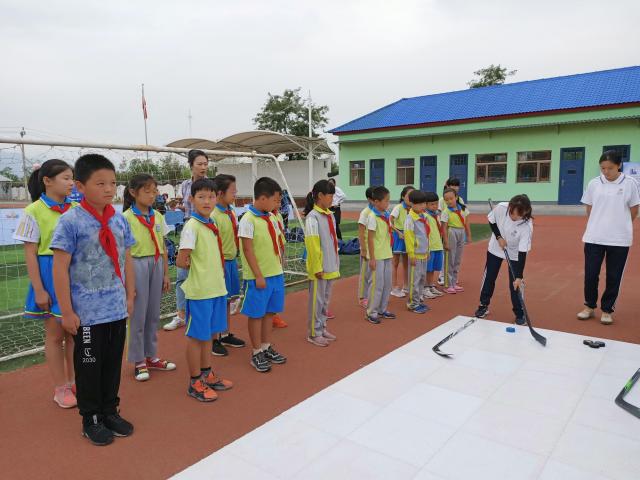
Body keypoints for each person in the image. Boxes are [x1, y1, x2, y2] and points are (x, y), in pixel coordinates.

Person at [51, 154, 135, 446]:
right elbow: (59, 268)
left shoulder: (120, 220)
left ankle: (110, 410)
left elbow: (127, 258)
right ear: (80, 186)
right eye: (100, 183)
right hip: (86, 314)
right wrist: (67, 311)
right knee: (88, 365)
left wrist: (130, 295)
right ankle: (91, 418)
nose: (109, 189)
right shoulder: (70, 221)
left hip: (115, 308)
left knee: (112, 364)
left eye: (113, 183)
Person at [14, 159, 77, 408]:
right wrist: (40, 289)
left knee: (74, 333)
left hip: (74, 274)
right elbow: (30, 253)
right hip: (50, 274)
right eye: (66, 178)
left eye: (72, 178)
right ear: (47, 181)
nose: (71, 183)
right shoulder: (33, 211)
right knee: (54, 335)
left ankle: (75, 381)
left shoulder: (75, 207)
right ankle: (60, 388)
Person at [176, 178, 233, 402]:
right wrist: (197, 268)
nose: (207, 201)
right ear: (192, 200)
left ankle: (207, 373)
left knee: (209, 334)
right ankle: (194, 381)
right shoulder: (192, 226)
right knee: (196, 336)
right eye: (201, 197)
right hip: (200, 291)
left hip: (216, 289)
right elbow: (181, 260)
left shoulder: (212, 223)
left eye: (211, 197)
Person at [122, 174, 176, 382]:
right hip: (136, 264)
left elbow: (162, 246)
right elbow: (123, 252)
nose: (152, 195)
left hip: (156, 263)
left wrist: (165, 274)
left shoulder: (158, 216)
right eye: (147, 191)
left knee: (153, 313)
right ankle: (138, 360)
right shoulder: (125, 218)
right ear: (133, 193)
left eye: (154, 191)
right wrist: (128, 282)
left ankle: (151, 355)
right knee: (138, 315)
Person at [578, 150, 640, 325]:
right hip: (594, 238)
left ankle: (607, 310)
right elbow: (589, 208)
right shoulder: (594, 183)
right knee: (590, 275)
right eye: (603, 168)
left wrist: (620, 225)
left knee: (614, 276)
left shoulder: (630, 183)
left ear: (619, 165)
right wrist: (598, 224)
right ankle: (589, 306)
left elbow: (634, 209)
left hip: (619, 239)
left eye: (610, 168)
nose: (606, 172)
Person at [239, 177, 288, 372]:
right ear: (263, 198)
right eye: (276, 200)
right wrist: (258, 275)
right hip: (259, 277)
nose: (278, 204)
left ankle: (266, 346)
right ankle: (256, 351)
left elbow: (277, 241)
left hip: (275, 273)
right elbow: (248, 250)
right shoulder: (247, 220)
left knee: (270, 313)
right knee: (256, 314)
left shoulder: (272, 217)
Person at [164, 149, 209, 331]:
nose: (203, 167)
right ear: (191, 165)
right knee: (183, 273)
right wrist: (179, 207)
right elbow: (189, 207)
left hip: (204, 230)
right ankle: (181, 314)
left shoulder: (210, 185)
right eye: (199, 164)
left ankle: (203, 312)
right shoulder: (185, 185)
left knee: (204, 273)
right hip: (187, 229)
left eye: (206, 164)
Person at [474, 195, 534, 324]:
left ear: (525, 212)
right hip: (496, 247)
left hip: (515, 252)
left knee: (515, 283)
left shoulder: (527, 226)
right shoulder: (502, 207)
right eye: (511, 213)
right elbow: (492, 221)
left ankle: (519, 312)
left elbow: (523, 252)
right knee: (489, 277)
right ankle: (483, 305)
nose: (512, 217)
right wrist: (499, 237)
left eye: (516, 216)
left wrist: (519, 276)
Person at [211, 174, 246, 355]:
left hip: (231, 262)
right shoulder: (213, 215)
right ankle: (213, 339)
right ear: (220, 193)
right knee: (217, 301)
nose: (236, 193)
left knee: (227, 300)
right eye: (233, 191)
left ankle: (224, 333)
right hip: (219, 264)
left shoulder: (231, 211)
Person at [303, 180, 340, 347]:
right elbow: (312, 244)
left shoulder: (330, 215)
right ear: (320, 196)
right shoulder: (312, 217)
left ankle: (322, 327)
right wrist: (317, 267)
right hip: (319, 268)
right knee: (316, 302)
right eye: (330, 195)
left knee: (325, 301)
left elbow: (332, 241)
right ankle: (314, 332)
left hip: (330, 265)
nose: (333, 198)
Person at [365, 186, 395, 324]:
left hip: (387, 253)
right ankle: (372, 311)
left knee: (387, 284)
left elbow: (389, 229)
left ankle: (382, 309)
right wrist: (372, 258)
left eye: (388, 200)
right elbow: (370, 238)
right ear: (376, 202)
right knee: (377, 285)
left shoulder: (386, 214)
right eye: (386, 201)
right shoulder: (372, 217)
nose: (388, 203)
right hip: (377, 255)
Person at [441, 188, 472, 294]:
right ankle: (448, 284)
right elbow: (444, 228)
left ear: (456, 197)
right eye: (446, 200)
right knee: (450, 259)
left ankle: (454, 282)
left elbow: (467, 223)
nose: (449, 201)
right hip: (451, 232)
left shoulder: (463, 209)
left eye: (451, 198)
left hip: (461, 232)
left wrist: (469, 236)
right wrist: (445, 241)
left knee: (457, 259)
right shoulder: (446, 212)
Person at [404, 190, 430, 314]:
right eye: (419, 204)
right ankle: (412, 303)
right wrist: (411, 254)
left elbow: (427, 234)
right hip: (415, 254)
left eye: (424, 204)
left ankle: (419, 299)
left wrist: (428, 249)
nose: (422, 206)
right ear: (412, 204)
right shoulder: (410, 219)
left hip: (424, 253)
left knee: (422, 278)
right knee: (414, 279)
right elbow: (408, 237)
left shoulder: (424, 216)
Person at [390, 186, 414, 298]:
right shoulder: (398, 207)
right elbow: (390, 221)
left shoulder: (413, 209)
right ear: (403, 196)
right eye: (409, 195)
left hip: (407, 236)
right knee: (395, 262)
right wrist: (398, 232)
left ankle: (406, 285)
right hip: (398, 236)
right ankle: (394, 287)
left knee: (406, 262)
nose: (411, 198)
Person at [271, 189, 289, 328]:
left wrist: (284, 254)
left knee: (278, 288)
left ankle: (274, 314)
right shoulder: (268, 217)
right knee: (271, 288)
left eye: (280, 201)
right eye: (276, 200)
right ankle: (272, 315)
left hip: (279, 252)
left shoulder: (278, 216)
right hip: (270, 257)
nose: (278, 204)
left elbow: (281, 236)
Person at [424, 192, 445, 299]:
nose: (435, 206)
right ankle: (425, 288)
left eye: (436, 204)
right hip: (430, 246)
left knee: (432, 268)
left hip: (437, 245)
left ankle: (431, 285)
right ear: (426, 205)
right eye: (432, 204)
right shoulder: (425, 216)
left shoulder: (436, 215)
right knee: (427, 268)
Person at [357, 187, 374, 308]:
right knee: (365, 274)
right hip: (367, 249)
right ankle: (363, 297)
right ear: (369, 199)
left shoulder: (381, 212)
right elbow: (361, 232)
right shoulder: (365, 213)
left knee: (374, 274)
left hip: (376, 249)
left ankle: (371, 295)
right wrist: (363, 249)